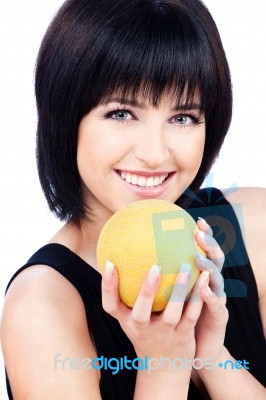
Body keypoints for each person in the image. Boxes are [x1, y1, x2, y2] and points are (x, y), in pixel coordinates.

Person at [1, 0, 265, 398]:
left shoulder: (256, 227)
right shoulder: (42, 307)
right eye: (122, 113)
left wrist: (210, 356)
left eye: (183, 118)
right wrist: (164, 366)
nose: (156, 153)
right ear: (65, 117)